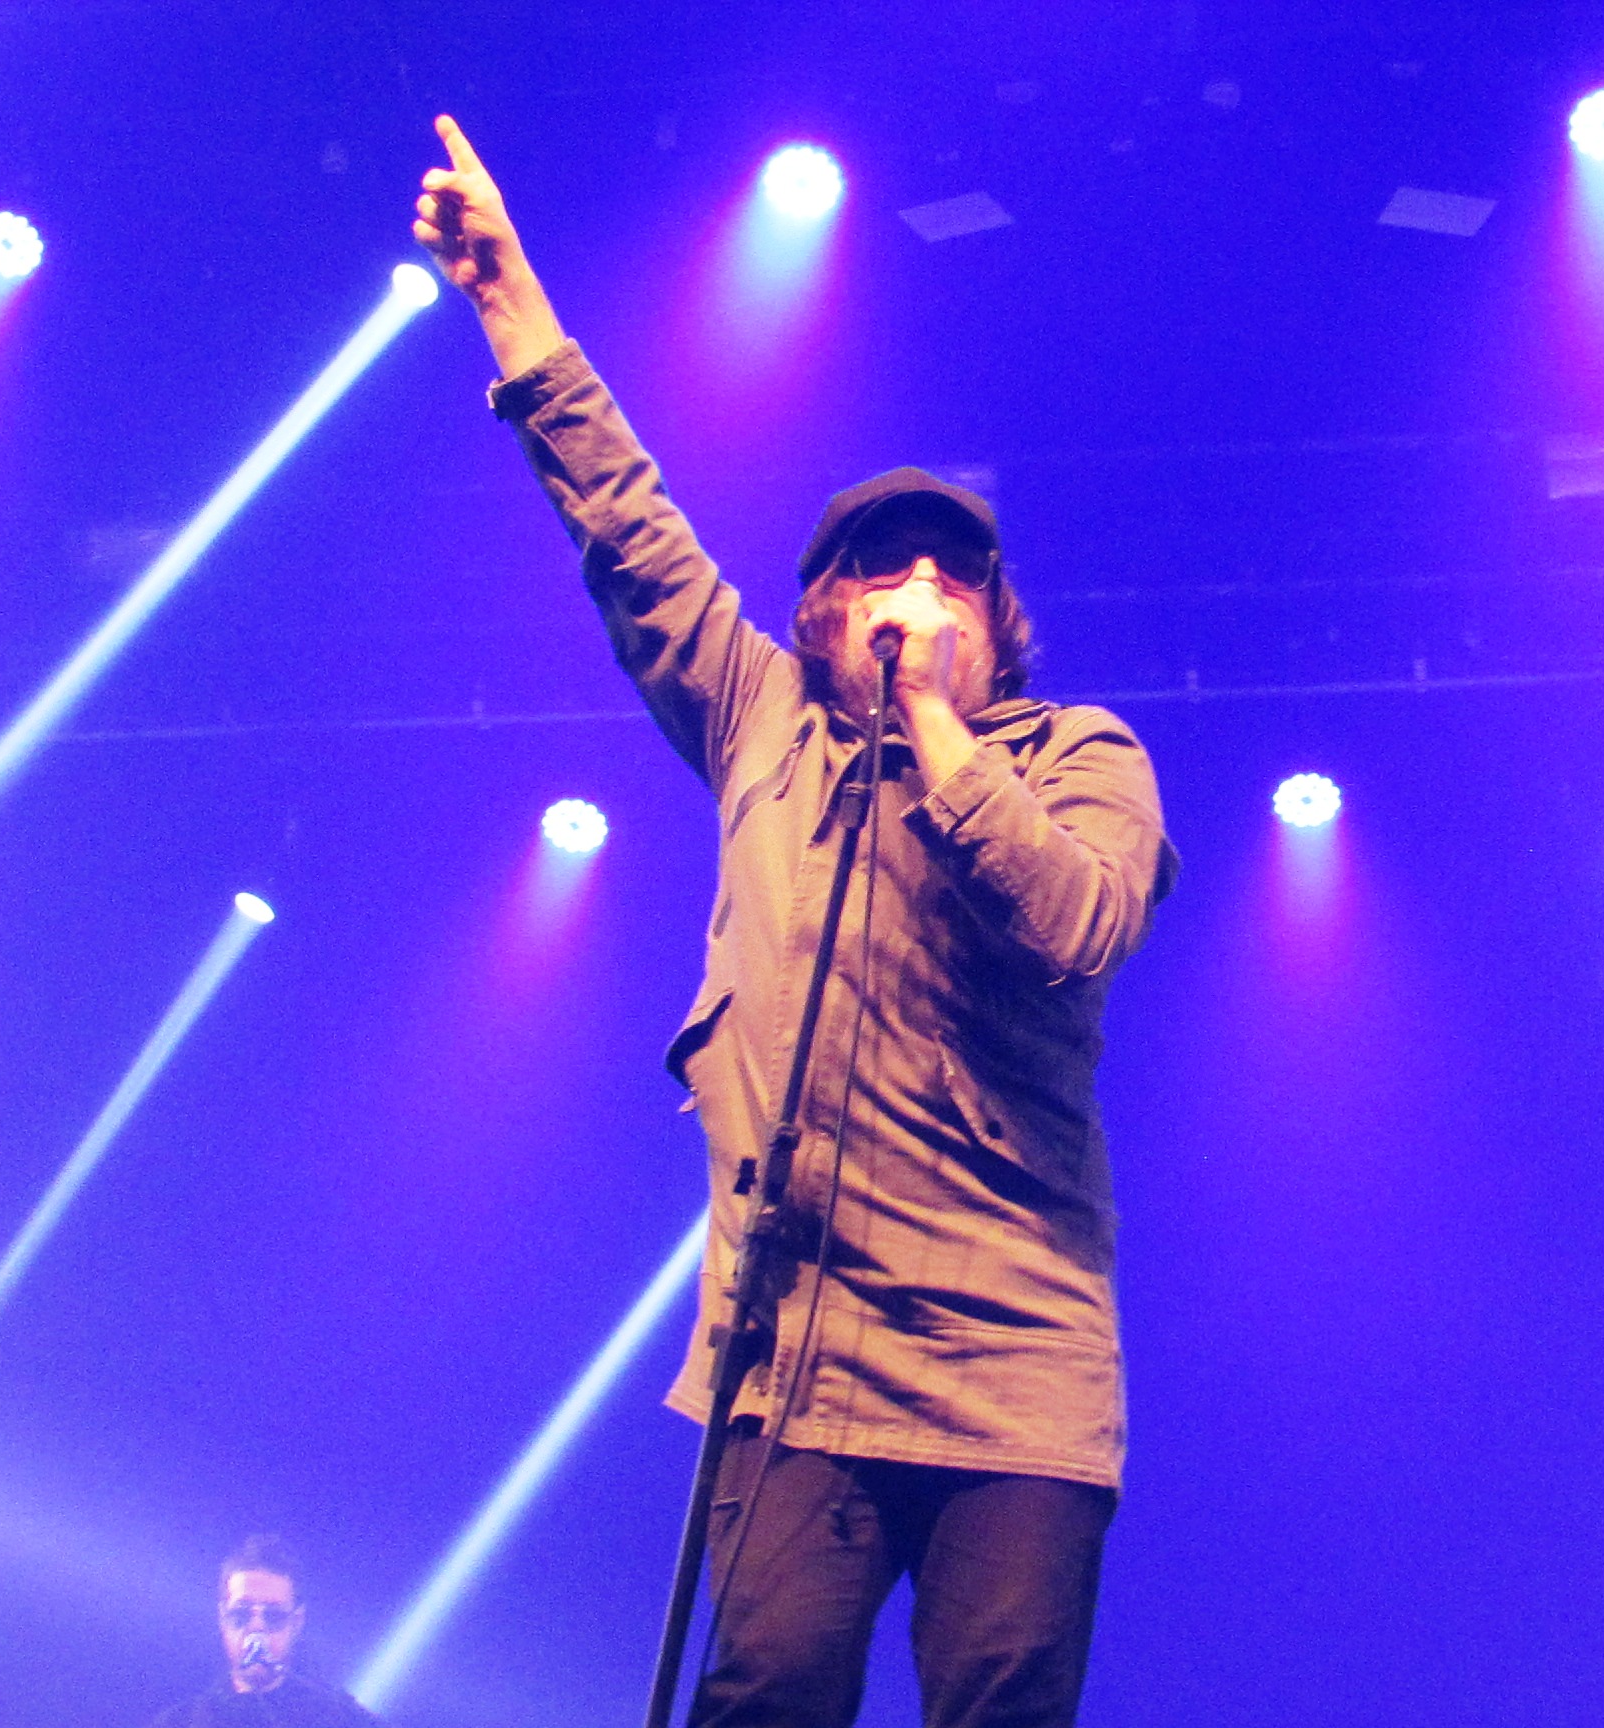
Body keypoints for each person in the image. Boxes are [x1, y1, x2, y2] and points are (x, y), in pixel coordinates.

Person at [414, 114, 1177, 1728]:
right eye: (882, 575)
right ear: (820, 614)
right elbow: (629, 527)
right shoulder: (763, 719)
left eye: (953, 581)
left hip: (1013, 1359)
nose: (920, 594)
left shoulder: (1077, 756)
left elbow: (1079, 919)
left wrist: (945, 739)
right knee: (761, 1690)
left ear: (994, 622)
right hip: (798, 1348)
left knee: (1000, 1703)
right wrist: (512, 315)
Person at [148, 1535, 377, 1727]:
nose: (256, 1628)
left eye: (273, 1616)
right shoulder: (180, 1722)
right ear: (222, 1617)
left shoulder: (341, 1718)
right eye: (241, 1615)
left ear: (296, 1622)